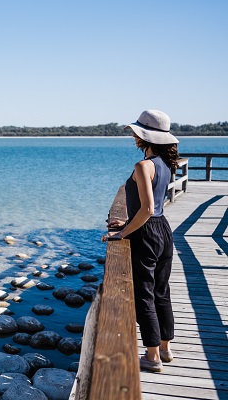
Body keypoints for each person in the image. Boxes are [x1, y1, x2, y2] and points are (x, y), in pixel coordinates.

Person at [102, 110, 180, 373]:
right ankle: (166, 348)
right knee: (162, 291)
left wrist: (123, 233)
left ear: (144, 136)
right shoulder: (166, 164)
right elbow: (155, 207)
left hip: (146, 234)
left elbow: (145, 209)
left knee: (144, 295)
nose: (133, 136)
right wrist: (126, 223)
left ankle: (152, 356)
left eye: (136, 132)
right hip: (164, 231)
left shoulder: (143, 166)